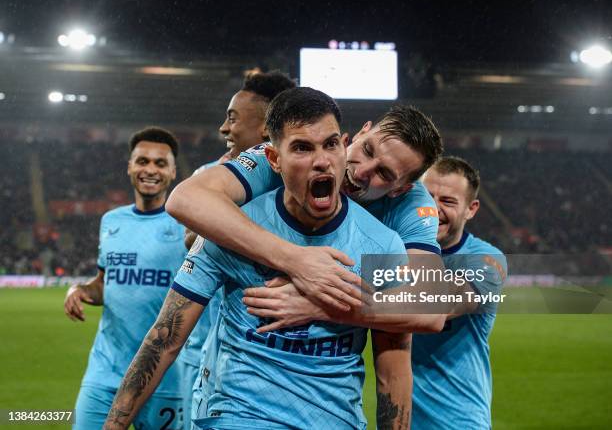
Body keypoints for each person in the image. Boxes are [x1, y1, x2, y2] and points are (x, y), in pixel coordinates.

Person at [102, 87, 415, 430]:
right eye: (301, 148)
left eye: (330, 144)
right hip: (239, 417)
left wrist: (326, 305)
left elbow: (394, 372)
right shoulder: (232, 227)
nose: (322, 160)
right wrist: (113, 426)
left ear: (343, 145)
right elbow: (165, 338)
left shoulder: (384, 243)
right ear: (273, 159)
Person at [166, 103, 446, 314]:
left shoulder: (413, 204)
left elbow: (429, 306)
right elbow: (185, 200)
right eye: (368, 150)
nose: (362, 172)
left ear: (400, 189)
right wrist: (295, 260)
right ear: (359, 134)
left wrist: (322, 308)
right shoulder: (288, 156)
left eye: (384, 174)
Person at [178, 70, 296, 430]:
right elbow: (190, 235)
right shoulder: (212, 175)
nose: (223, 129)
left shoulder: (305, 189)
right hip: (207, 347)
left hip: (277, 356)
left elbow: (422, 310)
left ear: (266, 129)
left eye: (232, 118)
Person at [64, 127, 187, 430]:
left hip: (165, 376)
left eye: (160, 163)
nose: (150, 169)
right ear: (130, 167)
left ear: (173, 172)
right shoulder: (112, 221)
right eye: (142, 161)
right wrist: (80, 290)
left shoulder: (189, 224)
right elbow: (106, 284)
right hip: (106, 371)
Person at [412, 156, 507, 429]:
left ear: (471, 209)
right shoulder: (399, 248)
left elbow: (439, 306)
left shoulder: (488, 260)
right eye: (426, 196)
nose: (433, 208)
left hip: (458, 421)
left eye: (448, 201)